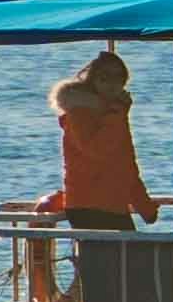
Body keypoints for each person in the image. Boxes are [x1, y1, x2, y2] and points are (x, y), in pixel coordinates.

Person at [45, 47, 152, 226]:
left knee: (131, 253)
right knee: (122, 253)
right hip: (88, 205)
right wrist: (117, 114)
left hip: (113, 204)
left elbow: (125, 164)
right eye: (104, 77)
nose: (112, 84)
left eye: (118, 78)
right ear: (93, 79)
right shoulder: (81, 112)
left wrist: (145, 207)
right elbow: (97, 150)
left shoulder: (113, 113)